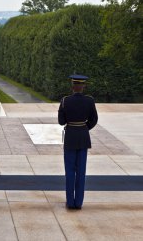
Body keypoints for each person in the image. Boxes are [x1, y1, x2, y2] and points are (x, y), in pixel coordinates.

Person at [58, 74, 98, 210]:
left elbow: (61, 121)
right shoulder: (89, 101)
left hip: (70, 137)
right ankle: (78, 203)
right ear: (83, 87)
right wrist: (85, 127)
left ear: (72, 86)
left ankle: (70, 202)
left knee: (69, 171)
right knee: (81, 171)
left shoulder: (65, 101)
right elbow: (94, 119)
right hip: (83, 137)